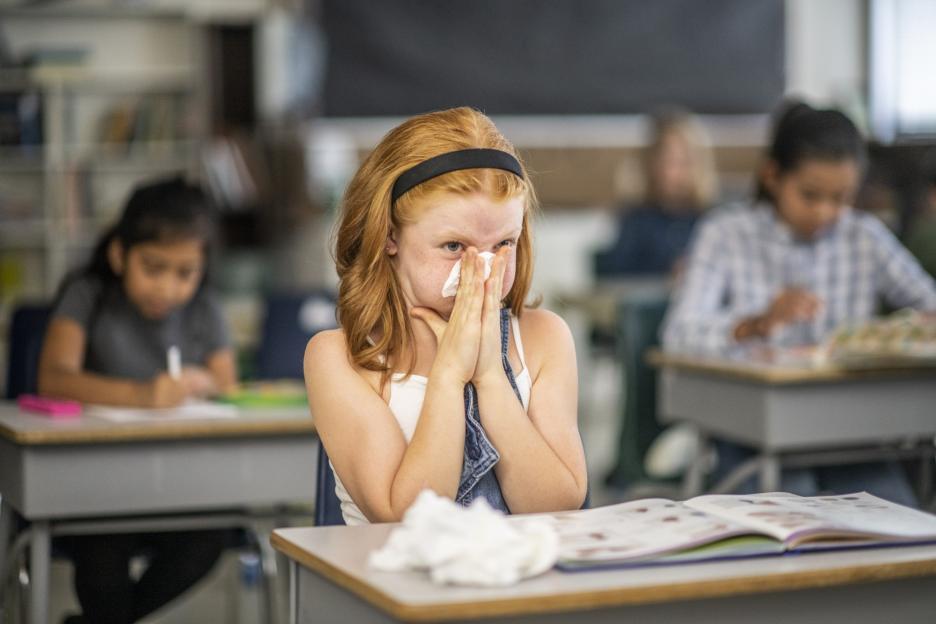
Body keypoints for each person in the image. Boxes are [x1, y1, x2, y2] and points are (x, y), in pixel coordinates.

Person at [304, 107, 588, 525]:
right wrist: (450, 375)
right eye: (454, 246)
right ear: (388, 237)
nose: (482, 269)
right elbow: (403, 517)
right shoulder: (338, 358)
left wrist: (490, 376)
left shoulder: (545, 337)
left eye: (503, 244)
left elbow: (559, 505)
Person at [662, 101, 936, 506]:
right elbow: (678, 334)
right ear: (772, 175)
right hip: (752, 436)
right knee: (794, 514)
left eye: (841, 197)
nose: (826, 212)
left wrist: (901, 331)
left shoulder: (864, 235)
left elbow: (928, 303)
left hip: (851, 434)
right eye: (810, 195)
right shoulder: (725, 234)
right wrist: (755, 324)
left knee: (903, 525)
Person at [38, 177, 237, 624]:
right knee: (102, 550)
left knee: (208, 540)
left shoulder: (205, 308)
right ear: (118, 254)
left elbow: (227, 387)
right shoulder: (87, 295)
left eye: (185, 273)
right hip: (97, 489)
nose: (167, 288)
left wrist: (200, 381)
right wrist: (142, 395)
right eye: (153, 267)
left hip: (178, 487)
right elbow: (53, 378)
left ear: (203, 269)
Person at [594, 109, 719, 277]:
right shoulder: (635, 219)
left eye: (682, 162)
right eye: (665, 161)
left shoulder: (714, 219)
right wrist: (666, 273)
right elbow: (615, 274)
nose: (671, 172)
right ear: (650, 163)